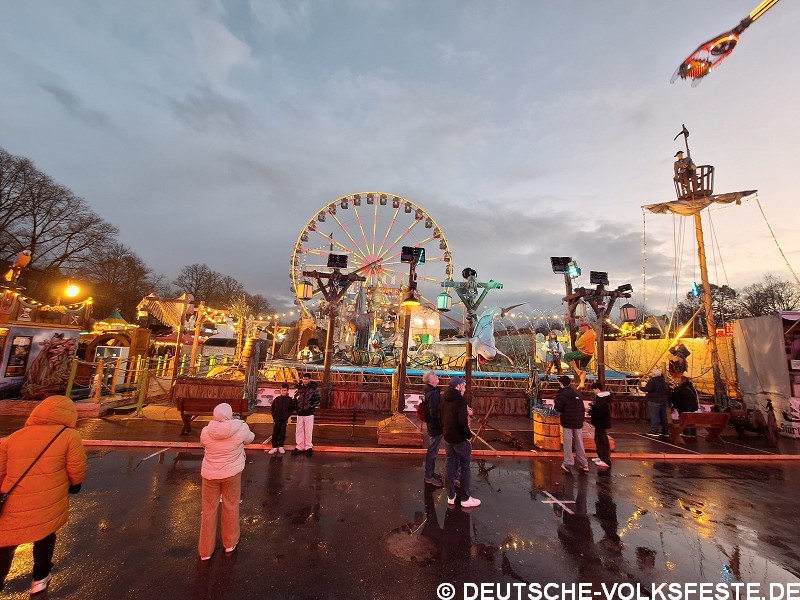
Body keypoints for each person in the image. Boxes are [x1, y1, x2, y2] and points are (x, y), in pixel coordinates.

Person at [0, 395, 87, 595]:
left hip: (14, 500)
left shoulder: (14, 437)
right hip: (47, 498)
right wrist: (76, 484)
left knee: (6, 544)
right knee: (45, 535)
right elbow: (76, 465)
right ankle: (40, 579)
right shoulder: (69, 436)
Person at [198, 402, 255, 560]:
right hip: (232, 473)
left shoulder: (206, 430)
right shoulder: (240, 428)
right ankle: (229, 542)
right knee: (231, 506)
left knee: (208, 510)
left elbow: (203, 443)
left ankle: (205, 551)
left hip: (209, 475)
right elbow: (250, 438)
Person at [441, 377, 481, 508]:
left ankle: (451, 496)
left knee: (449, 465)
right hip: (459, 438)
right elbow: (462, 422)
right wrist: (468, 436)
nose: (464, 387)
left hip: (448, 437)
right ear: (458, 386)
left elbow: (440, 416)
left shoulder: (444, 397)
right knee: (465, 467)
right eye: (463, 385)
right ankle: (465, 498)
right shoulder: (460, 399)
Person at [554, 376, 589, 474]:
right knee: (579, 442)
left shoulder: (561, 394)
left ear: (561, 384)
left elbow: (558, 408)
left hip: (567, 421)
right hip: (578, 420)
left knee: (568, 442)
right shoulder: (576, 393)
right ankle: (584, 463)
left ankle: (568, 463)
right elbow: (581, 406)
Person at [422, 370, 444, 487]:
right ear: (431, 380)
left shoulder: (431, 392)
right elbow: (435, 412)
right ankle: (429, 476)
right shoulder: (433, 394)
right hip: (435, 427)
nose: (437, 376)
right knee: (432, 452)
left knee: (433, 451)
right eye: (435, 375)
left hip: (433, 425)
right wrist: (442, 423)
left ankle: (430, 474)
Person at [293, 373, 320, 455]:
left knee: (308, 430)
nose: (305, 381)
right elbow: (295, 398)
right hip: (300, 412)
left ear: (309, 379)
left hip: (309, 413)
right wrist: (296, 407)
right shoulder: (298, 388)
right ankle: (299, 446)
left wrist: (311, 407)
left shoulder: (313, 388)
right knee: (299, 430)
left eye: (306, 379)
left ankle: (308, 446)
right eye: (303, 379)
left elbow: (317, 399)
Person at [588, 383, 613, 469]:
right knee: (598, 440)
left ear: (597, 389)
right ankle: (600, 457)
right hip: (600, 423)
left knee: (602, 442)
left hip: (601, 423)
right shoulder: (603, 399)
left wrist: (591, 412)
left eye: (593, 389)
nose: (593, 391)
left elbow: (600, 413)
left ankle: (605, 460)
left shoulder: (602, 400)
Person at [564, 323, 595, 389]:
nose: (580, 330)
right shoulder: (592, 332)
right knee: (583, 368)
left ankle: (576, 370)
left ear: (585, 327)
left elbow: (577, 344)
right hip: (590, 354)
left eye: (581, 328)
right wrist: (581, 320)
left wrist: (578, 337)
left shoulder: (584, 337)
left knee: (567, 356)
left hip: (583, 353)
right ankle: (582, 383)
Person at [642, 369, 671, 436]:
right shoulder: (664, 382)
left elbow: (648, 389)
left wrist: (641, 388)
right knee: (663, 416)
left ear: (654, 375)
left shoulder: (652, 381)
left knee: (654, 416)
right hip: (664, 401)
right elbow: (668, 391)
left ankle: (654, 431)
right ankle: (665, 431)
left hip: (654, 400)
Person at [269, 384, 293, 455]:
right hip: (276, 419)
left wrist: (287, 416)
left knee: (282, 433)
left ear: (287, 391)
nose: (283, 391)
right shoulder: (277, 399)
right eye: (282, 390)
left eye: (285, 390)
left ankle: (281, 446)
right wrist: (274, 415)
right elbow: (272, 408)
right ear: (280, 390)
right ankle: (274, 447)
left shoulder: (290, 400)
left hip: (284, 420)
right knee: (275, 433)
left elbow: (291, 409)